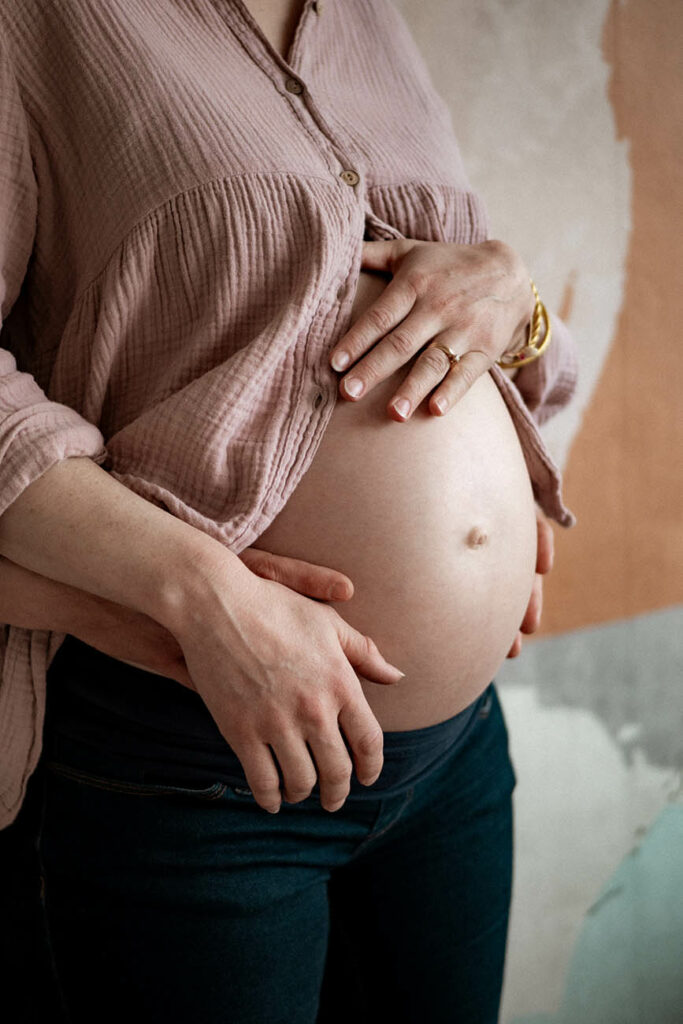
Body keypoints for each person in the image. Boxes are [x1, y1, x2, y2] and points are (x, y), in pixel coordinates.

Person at [0, 1, 578, 1021]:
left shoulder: (361, 15)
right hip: (203, 770)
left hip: (454, 758)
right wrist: (205, 594)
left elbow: (451, 294)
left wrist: (513, 299)